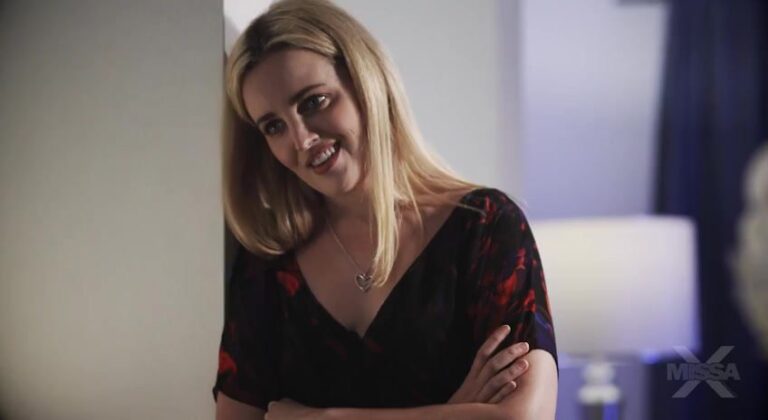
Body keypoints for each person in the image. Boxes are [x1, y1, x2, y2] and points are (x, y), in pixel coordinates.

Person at [213, 0, 558, 419]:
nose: (301, 140)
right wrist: (453, 412)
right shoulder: (268, 264)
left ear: (367, 81)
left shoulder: (486, 227)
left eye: (313, 102)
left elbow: (523, 416)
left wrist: (325, 418)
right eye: (274, 126)